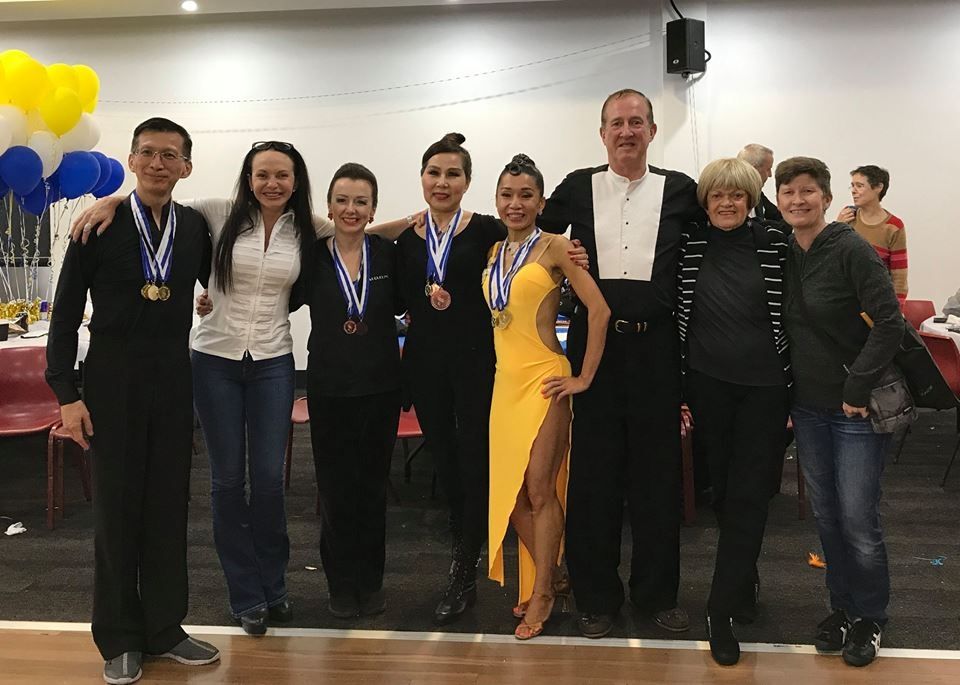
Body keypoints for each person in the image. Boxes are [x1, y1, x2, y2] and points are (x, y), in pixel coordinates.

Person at [70, 146, 413, 636]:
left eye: (282, 175)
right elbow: (158, 201)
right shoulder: (216, 213)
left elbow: (357, 230)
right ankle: (246, 594)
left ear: (296, 181)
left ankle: (275, 586)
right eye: (262, 174)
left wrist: (420, 220)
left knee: (269, 483)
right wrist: (115, 200)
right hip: (216, 361)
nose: (272, 183)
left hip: (273, 361)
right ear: (248, 178)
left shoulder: (308, 227)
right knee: (228, 482)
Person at [46, 117, 220, 685]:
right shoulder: (97, 225)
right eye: (147, 153)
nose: (158, 164)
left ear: (186, 166)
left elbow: (210, 281)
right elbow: (64, 314)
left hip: (173, 382)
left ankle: (164, 628)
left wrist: (207, 302)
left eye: (170, 155)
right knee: (117, 511)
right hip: (111, 385)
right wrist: (66, 394)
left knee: (169, 507)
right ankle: (120, 637)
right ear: (131, 160)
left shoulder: (194, 228)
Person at [390, 133, 589, 625]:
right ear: (421, 178)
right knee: (449, 470)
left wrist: (576, 254)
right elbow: (370, 251)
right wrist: (403, 222)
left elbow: (534, 245)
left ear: (467, 182)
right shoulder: (406, 240)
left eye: (453, 174)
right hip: (427, 371)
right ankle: (530, 571)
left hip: (483, 371)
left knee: (483, 471)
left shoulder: (485, 231)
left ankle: (466, 573)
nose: (442, 182)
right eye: (433, 173)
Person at [538, 89, 703, 639]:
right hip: (595, 348)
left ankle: (657, 595)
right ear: (602, 132)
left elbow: (734, 215)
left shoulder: (681, 190)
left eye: (636, 122)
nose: (626, 131)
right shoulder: (575, 187)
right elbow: (528, 230)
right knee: (594, 477)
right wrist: (560, 253)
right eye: (617, 123)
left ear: (652, 131)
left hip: (658, 350)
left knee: (658, 478)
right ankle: (596, 598)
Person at [779, 156, 904, 668]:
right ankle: (843, 607)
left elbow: (890, 322)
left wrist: (856, 386)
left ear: (827, 199)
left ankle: (870, 615)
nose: (798, 200)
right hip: (808, 408)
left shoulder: (850, 248)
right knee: (828, 515)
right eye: (788, 192)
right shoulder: (785, 252)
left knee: (857, 518)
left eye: (807, 191)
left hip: (854, 410)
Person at [485, 154, 610, 640]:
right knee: (513, 495)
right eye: (507, 195)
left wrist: (584, 377)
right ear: (497, 200)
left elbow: (599, 310)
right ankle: (554, 573)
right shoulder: (494, 252)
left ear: (540, 202)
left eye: (526, 195)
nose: (515, 204)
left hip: (544, 380)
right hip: (505, 383)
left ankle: (542, 594)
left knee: (540, 490)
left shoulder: (556, 246)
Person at [676, 158, 791, 665]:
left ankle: (718, 610)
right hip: (708, 387)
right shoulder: (689, 244)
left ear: (750, 200)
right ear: (705, 201)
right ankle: (742, 578)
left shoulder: (774, 242)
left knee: (750, 495)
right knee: (723, 493)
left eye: (737, 195)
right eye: (718, 195)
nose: (727, 203)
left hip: (766, 389)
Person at [303, 163, 403, 618]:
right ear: (329, 207)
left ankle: (371, 581)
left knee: (372, 489)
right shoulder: (310, 256)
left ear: (373, 209)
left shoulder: (387, 254)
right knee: (335, 490)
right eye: (342, 200)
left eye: (361, 202)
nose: (351, 209)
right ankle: (341, 584)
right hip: (328, 389)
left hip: (380, 388)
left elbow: (411, 301)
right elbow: (269, 292)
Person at [836, 165, 907, 303]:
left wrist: (896, 309)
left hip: (877, 302)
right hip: (843, 301)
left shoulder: (893, 226)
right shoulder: (848, 216)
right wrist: (838, 227)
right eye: (852, 186)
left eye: (859, 186)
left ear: (878, 187)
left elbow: (899, 276)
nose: (853, 191)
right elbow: (831, 260)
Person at [737, 143, 782, 224]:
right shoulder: (731, 198)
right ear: (753, 170)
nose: (770, 175)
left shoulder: (758, 194)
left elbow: (780, 218)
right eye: (768, 169)